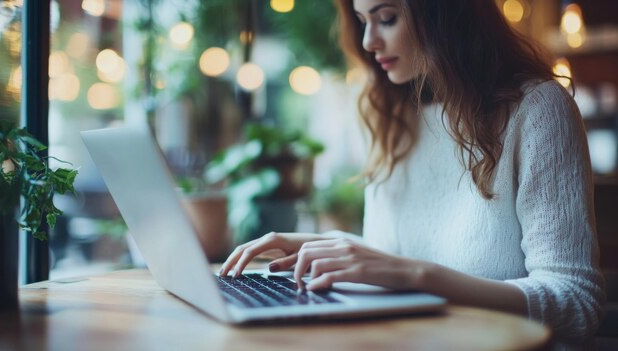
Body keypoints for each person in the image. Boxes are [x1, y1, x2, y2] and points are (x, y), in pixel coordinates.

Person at [219, 0, 605, 345]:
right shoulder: (390, 114)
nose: (369, 41)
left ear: (444, 15)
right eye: (362, 21)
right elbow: (395, 260)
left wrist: (419, 276)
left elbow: (576, 300)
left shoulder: (538, 111)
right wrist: (321, 244)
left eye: (386, 18)